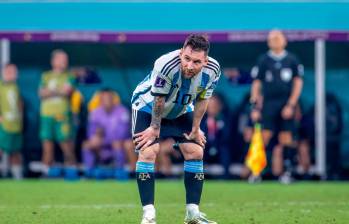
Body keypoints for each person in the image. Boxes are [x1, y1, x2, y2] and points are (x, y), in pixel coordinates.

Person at [131, 34, 220, 224]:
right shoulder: (165, 64)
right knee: (149, 151)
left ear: (205, 61)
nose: (189, 65)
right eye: (186, 58)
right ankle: (148, 215)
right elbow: (159, 100)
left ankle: (192, 214)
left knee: (196, 151)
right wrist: (155, 128)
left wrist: (196, 128)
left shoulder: (213, 70)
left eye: (196, 62)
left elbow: (203, 99)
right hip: (147, 106)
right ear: (181, 52)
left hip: (180, 108)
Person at [250, 29, 304, 183]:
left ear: (284, 40)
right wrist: (254, 106)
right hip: (268, 104)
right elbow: (256, 83)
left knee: (286, 137)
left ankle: (287, 172)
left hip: (286, 103)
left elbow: (298, 82)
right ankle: (259, 172)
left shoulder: (292, 59)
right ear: (268, 42)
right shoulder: (263, 60)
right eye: (272, 38)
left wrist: (291, 104)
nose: (275, 41)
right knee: (264, 136)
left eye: (278, 38)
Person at [39, 49, 78, 180]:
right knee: (47, 147)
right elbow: (41, 93)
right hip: (46, 116)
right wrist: (57, 90)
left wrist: (50, 91)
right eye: (61, 59)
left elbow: (67, 92)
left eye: (65, 59)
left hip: (62, 116)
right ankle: (45, 173)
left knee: (66, 145)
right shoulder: (45, 76)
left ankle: (72, 172)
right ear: (53, 61)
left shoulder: (70, 76)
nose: (64, 62)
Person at [82, 88, 133, 180]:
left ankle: (120, 171)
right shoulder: (94, 113)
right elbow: (90, 132)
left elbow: (124, 132)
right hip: (102, 144)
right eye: (103, 98)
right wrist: (96, 137)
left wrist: (109, 140)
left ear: (113, 99)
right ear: (100, 100)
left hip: (119, 143)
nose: (106, 101)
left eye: (108, 98)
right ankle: (89, 173)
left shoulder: (122, 111)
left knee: (120, 143)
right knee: (87, 144)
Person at [0, 64, 23, 179]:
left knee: (15, 152)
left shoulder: (15, 87)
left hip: (16, 126)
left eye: (14, 72)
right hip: (3, 125)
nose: (12, 74)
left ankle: (17, 178)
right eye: (9, 72)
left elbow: (19, 105)